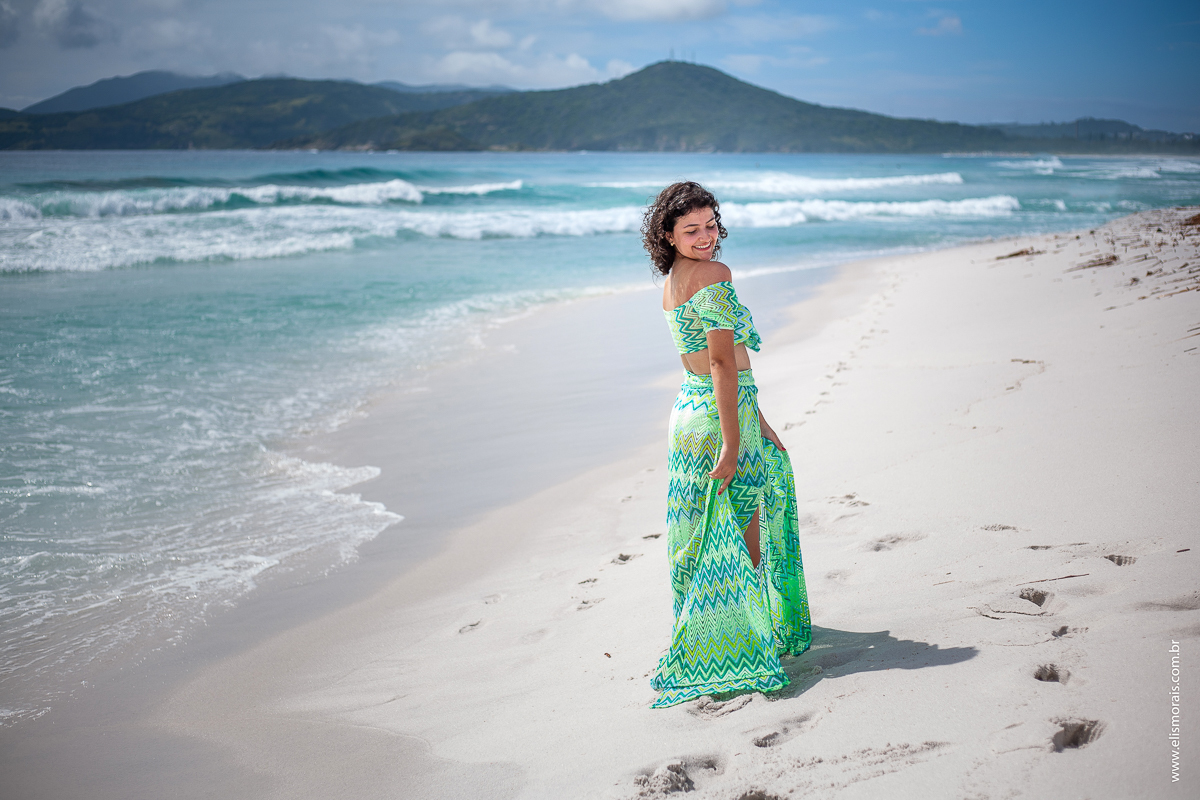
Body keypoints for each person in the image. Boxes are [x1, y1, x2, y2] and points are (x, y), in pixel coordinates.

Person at [642, 181, 812, 708]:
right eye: (690, 230)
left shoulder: (673, 281)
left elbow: (723, 362)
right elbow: (723, 364)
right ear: (667, 234)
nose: (705, 238)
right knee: (743, 533)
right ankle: (745, 644)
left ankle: (712, 635)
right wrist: (735, 443)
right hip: (718, 419)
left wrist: (760, 421)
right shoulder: (715, 276)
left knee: (704, 533)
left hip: (689, 412)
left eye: (711, 225)